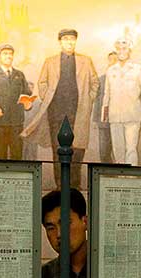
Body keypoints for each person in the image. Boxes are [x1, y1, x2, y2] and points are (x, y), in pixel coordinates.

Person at [21, 29, 99, 188]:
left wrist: (89, 99)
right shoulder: (50, 61)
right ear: (60, 42)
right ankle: (60, 186)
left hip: (79, 111)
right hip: (55, 112)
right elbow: (42, 83)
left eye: (72, 39)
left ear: (76, 42)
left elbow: (95, 83)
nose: (69, 42)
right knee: (58, 150)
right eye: (66, 39)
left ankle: (74, 186)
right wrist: (48, 96)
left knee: (77, 150)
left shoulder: (86, 61)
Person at [102, 38, 141, 166]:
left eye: (124, 49)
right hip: (114, 115)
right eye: (118, 49)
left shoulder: (138, 69)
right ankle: (120, 177)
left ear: (129, 51)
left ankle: (131, 178)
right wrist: (104, 114)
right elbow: (106, 94)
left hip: (132, 115)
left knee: (131, 149)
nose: (121, 51)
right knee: (117, 150)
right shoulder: (110, 70)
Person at [0, 43, 32, 160]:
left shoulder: (19, 74)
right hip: (0, 121)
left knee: (17, 154)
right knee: (0, 154)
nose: (8, 56)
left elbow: (27, 93)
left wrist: (28, 104)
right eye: (5, 54)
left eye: (10, 54)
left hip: (17, 122)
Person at [92, 51, 118, 163]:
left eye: (116, 60)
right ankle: (105, 174)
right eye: (111, 60)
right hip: (104, 121)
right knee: (104, 151)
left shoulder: (127, 80)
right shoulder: (101, 80)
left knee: (119, 151)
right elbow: (97, 100)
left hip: (120, 121)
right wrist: (95, 119)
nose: (113, 62)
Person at [23, 81, 42, 160]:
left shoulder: (37, 102)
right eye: (28, 87)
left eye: (31, 87)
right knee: (22, 153)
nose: (30, 89)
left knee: (32, 154)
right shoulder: (20, 101)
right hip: (22, 130)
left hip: (33, 131)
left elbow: (40, 116)